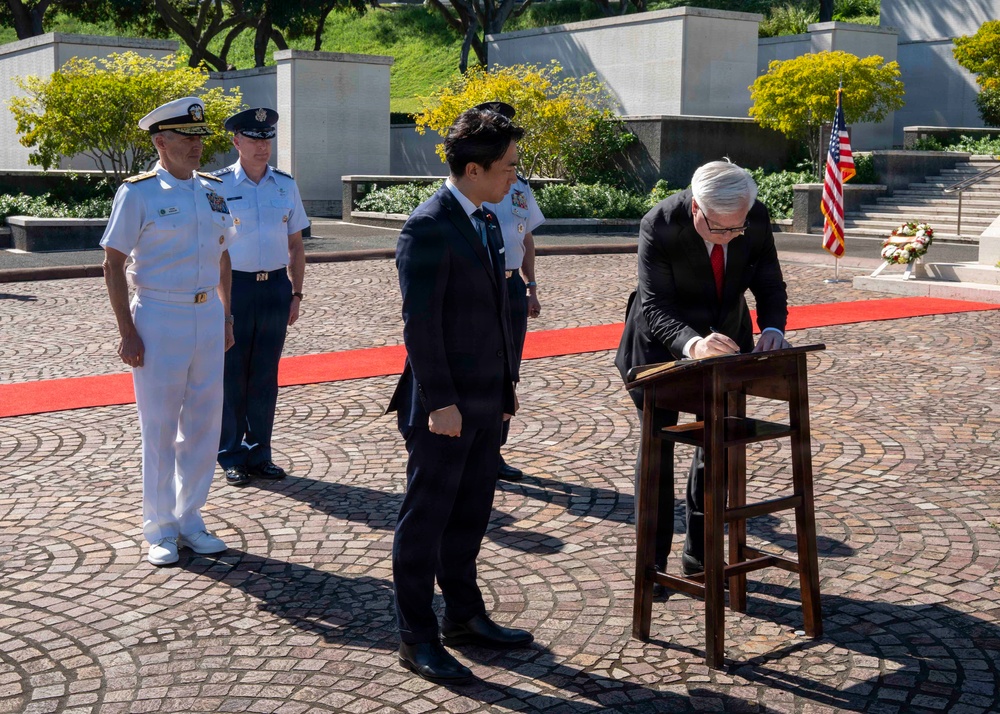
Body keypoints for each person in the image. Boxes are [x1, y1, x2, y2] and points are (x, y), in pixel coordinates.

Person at [386, 106, 534, 685]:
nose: (514, 179)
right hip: (442, 405)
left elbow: (499, 315)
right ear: (474, 169)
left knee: (470, 515)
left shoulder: (489, 220)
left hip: (483, 398)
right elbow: (419, 324)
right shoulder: (427, 225)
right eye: (508, 168)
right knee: (426, 520)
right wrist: (442, 401)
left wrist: (503, 394)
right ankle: (416, 635)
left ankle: (464, 616)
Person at [615, 160, 790, 580]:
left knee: (716, 449)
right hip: (662, 348)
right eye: (720, 229)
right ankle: (651, 564)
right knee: (657, 454)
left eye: (738, 229)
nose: (730, 236)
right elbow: (655, 307)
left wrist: (772, 328)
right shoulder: (659, 223)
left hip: (728, 339)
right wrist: (693, 344)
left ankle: (701, 552)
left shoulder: (755, 217)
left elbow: (768, 282)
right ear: (696, 208)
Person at [100, 96, 237, 566]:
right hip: (159, 315)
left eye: (200, 137)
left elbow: (223, 255)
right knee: (159, 427)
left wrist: (227, 315)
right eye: (185, 138)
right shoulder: (138, 193)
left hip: (207, 315)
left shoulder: (213, 190)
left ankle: (190, 518)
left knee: (204, 424)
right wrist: (127, 330)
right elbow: (113, 263)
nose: (197, 146)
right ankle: (158, 527)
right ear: (161, 142)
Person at [212, 107, 309, 487]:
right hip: (233, 288)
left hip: (274, 290)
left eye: (267, 139)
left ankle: (260, 453)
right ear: (236, 142)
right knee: (231, 373)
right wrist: (221, 304)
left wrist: (296, 292)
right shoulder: (217, 185)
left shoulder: (286, 185)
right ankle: (231, 454)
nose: (262, 146)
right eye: (253, 139)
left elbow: (297, 245)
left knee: (266, 376)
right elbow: (212, 247)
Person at [479, 101, 545, 483]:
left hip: (512, 287)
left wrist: (531, 286)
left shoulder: (518, 187)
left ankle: (496, 452)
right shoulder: (475, 180)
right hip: (482, 285)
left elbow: (527, 238)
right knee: (481, 368)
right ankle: (478, 447)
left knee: (509, 371)